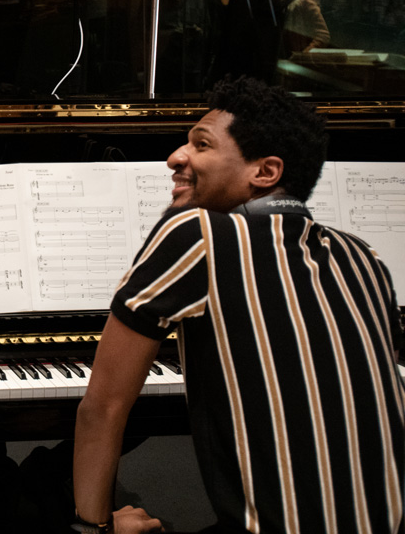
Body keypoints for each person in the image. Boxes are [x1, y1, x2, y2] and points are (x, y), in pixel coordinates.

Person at [73, 76, 405, 534]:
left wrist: (93, 529)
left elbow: (103, 406)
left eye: (201, 145)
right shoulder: (364, 257)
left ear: (265, 173)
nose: (175, 157)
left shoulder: (199, 234)